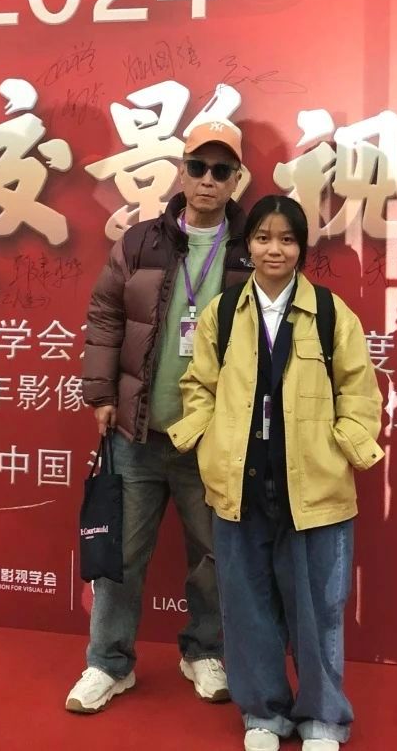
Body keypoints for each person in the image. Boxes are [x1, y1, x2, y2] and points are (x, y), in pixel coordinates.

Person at [168, 194, 385, 751]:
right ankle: (263, 714)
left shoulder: (331, 314)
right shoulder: (223, 313)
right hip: (239, 488)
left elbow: (360, 393)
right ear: (248, 245)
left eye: (287, 239)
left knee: (319, 614)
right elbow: (198, 385)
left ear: (301, 249)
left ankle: (323, 718)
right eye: (263, 238)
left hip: (314, 490)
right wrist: (206, 440)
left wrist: (343, 448)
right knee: (246, 609)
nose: (274, 250)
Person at [67, 119, 254, 713]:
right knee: (120, 557)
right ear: (182, 170)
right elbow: (105, 314)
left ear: (237, 179)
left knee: (213, 557)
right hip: (138, 431)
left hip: (213, 438)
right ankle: (108, 663)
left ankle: (205, 651)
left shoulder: (254, 248)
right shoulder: (140, 242)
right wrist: (101, 393)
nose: (207, 179)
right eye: (198, 167)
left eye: (221, 170)